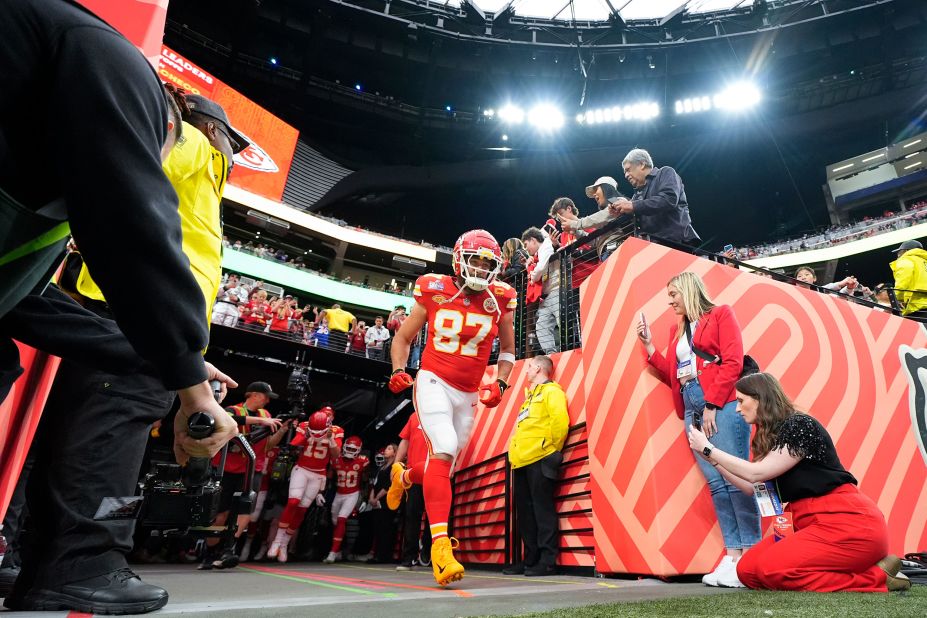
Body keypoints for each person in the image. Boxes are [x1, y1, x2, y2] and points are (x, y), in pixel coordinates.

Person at [0, 4, 243, 608]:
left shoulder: (39, 150)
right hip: (136, 305)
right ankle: (79, 562)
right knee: (104, 439)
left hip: (135, 320)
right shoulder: (128, 90)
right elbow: (132, 223)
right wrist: (182, 369)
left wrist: (168, 360)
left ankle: (29, 554)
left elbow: (21, 298)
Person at [687, 373, 910, 592]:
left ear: (760, 399)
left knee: (769, 569)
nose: (737, 408)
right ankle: (867, 571)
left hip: (847, 522)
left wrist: (710, 449)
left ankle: (877, 576)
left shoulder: (799, 425)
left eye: (741, 401)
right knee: (746, 570)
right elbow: (750, 487)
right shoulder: (771, 437)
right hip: (804, 522)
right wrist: (713, 461)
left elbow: (756, 473)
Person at [387, 229, 517, 587]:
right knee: (443, 449)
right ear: (460, 258)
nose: (480, 267)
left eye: (487, 262)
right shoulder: (433, 288)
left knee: (442, 466)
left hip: (468, 391)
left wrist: (501, 382)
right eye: (475, 259)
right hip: (433, 381)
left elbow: (507, 350)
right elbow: (403, 337)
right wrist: (399, 368)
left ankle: (404, 476)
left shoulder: (502, 297)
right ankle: (440, 549)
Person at [636, 272, 760, 587]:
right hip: (691, 408)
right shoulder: (675, 329)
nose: (670, 301)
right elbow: (674, 374)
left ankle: (751, 558)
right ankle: (733, 556)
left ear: (689, 290)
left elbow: (732, 362)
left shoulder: (720, 313)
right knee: (718, 485)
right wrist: (649, 346)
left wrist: (712, 405)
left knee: (735, 479)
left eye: (674, 294)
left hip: (720, 404)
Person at [200, 382, 288, 570]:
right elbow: (230, 419)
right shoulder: (234, 409)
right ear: (254, 395)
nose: (266, 401)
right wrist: (262, 422)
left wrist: (282, 429)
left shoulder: (267, 415)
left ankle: (228, 549)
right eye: (265, 396)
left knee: (245, 511)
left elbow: (268, 445)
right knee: (219, 514)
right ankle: (210, 553)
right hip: (226, 468)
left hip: (250, 470)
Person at [502, 355, 569, 577]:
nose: (526, 370)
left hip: (541, 458)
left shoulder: (552, 392)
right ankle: (530, 559)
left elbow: (560, 423)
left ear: (539, 368)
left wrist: (550, 450)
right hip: (521, 461)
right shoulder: (529, 397)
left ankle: (547, 561)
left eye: (529, 366)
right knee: (526, 514)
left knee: (542, 510)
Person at [268, 407, 343, 562]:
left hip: (318, 474)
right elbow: (294, 444)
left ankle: (284, 544)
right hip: (302, 469)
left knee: (302, 510)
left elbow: (336, 454)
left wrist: (329, 440)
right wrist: (307, 435)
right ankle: (276, 541)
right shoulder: (304, 425)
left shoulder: (336, 431)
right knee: (293, 502)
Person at [611, 149, 701, 247]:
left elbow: (668, 199)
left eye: (628, 170)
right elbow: (635, 224)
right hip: (649, 247)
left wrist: (632, 205)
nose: (626, 175)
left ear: (642, 164)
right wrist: (622, 212)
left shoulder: (665, 172)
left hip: (675, 244)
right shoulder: (636, 196)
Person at [387, 412, 432, 571]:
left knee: (436, 516)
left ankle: (428, 551)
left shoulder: (446, 409)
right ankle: (409, 558)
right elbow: (405, 441)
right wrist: (397, 465)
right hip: (413, 473)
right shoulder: (414, 416)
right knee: (412, 515)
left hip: (436, 470)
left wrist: (452, 464)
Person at [323, 436, 369, 564]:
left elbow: (365, 481)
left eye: (352, 449)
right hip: (338, 493)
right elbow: (329, 479)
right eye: (348, 448)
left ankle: (332, 552)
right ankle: (339, 551)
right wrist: (321, 493)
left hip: (352, 493)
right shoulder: (336, 460)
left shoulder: (362, 461)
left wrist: (364, 498)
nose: (349, 450)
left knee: (342, 519)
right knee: (335, 521)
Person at [560, 176, 628, 262]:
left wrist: (575, 224)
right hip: (608, 252)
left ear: (606, 188)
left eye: (596, 190)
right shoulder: (606, 214)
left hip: (617, 249)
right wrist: (577, 232)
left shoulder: (618, 200)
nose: (594, 195)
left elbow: (602, 216)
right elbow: (596, 241)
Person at [521, 225, 561, 354]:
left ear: (533, 240)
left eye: (526, 245)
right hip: (548, 295)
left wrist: (532, 276)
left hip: (558, 290)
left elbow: (541, 268)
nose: (526, 249)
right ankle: (551, 356)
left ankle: (573, 351)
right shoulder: (538, 254)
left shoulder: (547, 244)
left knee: (564, 323)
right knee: (541, 325)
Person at [890, 239, 927, 320]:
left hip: (917, 307)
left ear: (906, 250)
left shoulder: (906, 259)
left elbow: (903, 282)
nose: (898, 255)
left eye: (899, 252)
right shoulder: (924, 261)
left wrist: (895, 299)